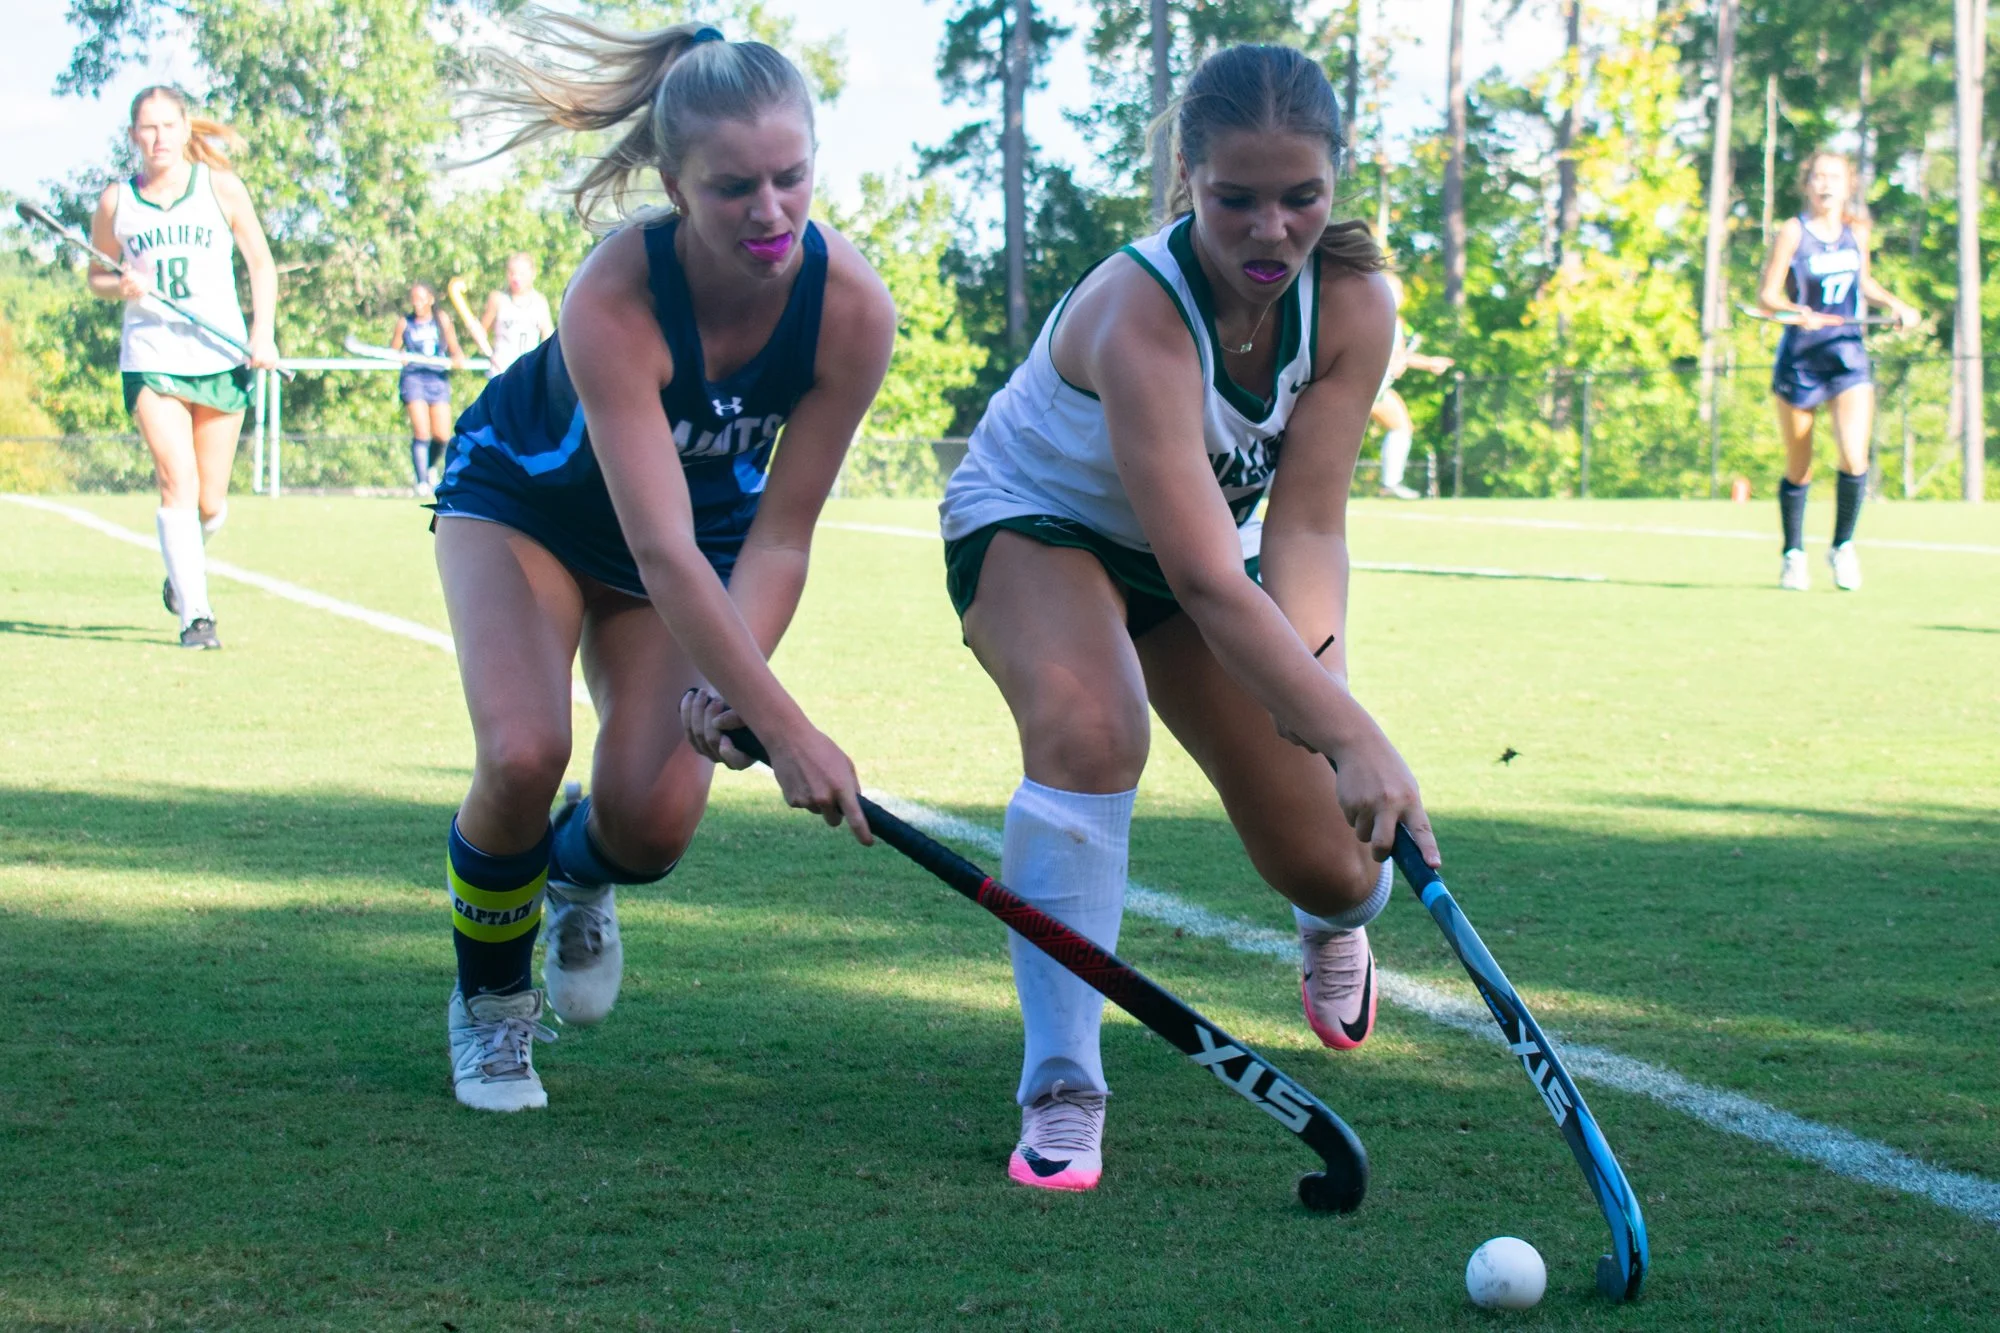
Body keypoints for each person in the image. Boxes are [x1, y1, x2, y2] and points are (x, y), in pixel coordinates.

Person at [937, 44, 1438, 1193]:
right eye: (1236, 201)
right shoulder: (1138, 314)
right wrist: (1352, 738)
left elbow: (1302, 530)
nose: (1269, 231)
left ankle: (1329, 917)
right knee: (1091, 727)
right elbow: (1211, 580)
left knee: (1330, 861)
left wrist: (1332, 716)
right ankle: (1062, 1083)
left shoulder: (1354, 303)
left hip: (1201, 550)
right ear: (1186, 179)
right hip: (1037, 523)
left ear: (1334, 181)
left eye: (1299, 198)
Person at [432, 17, 894, 1113]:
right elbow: (652, 540)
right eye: (733, 186)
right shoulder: (614, 295)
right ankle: (492, 1008)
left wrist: (727, 687)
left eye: (790, 177)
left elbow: (780, 534)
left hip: (701, 550)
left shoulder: (851, 312)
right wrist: (781, 726)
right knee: (523, 750)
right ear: (672, 182)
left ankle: (577, 873)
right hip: (527, 508)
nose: (770, 210)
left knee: (652, 823)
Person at [86, 86, 279, 649]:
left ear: (186, 128)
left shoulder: (220, 188)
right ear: (132, 137)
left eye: (168, 126)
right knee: (177, 480)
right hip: (152, 358)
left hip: (219, 356)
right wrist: (118, 284)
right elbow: (96, 274)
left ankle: (182, 569)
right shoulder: (116, 201)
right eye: (147, 128)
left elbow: (261, 265)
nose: (158, 138)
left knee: (210, 503)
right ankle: (197, 615)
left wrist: (261, 333)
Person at [1755, 150, 1918, 592]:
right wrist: (1795, 310)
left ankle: (1842, 546)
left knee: (1853, 455)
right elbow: (1767, 295)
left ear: (1848, 186)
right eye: (1818, 176)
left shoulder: (1855, 231)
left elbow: (1863, 283)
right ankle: (1793, 554)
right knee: (1800, 467)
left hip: (1846, 355)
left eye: (1835, 178)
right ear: (1806, 183)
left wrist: (1896, 305)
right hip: (1801, 359)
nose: (1826, 185)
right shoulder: (1792, 232)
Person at [1370, 272, 1453, 500]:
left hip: (1376, 387)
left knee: (1401, 427)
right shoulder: (1379, 317)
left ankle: (1390, 484)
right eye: (1398, 291)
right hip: (1365, 386)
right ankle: (1389, 484)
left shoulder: (1392, 320)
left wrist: (1428, 363)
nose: (1401, 296)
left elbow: (1398, 357)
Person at [389, 283, 468, 498]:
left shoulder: (441, 319)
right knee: (422, 431)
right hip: (414, 379)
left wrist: (457, 359)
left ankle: (430, 467)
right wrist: (399, 357)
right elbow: (393, 351)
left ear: (431, 299)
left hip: (437, 379)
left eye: (422, 298)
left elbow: (455, 350)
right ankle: (421, 480)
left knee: (442, 435)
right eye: (414, 299)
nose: (418, 303)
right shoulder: (405, 323)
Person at [481, 253, 556, 376]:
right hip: (501, 372)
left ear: (532, 274)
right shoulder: (498, 299)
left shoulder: (539, 302)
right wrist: (489, 354)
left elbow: (548, 338)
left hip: (529, 373)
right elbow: (482, 332)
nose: (516, 278)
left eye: (521, 274)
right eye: (512, 273)